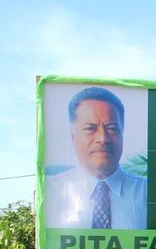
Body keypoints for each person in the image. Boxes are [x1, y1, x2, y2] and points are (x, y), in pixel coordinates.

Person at [45, 86, 147, 229]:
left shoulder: (147, 194)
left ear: (122, 133)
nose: (103, 138)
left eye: (112, 128)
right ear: (73, 136)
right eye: (90, 128)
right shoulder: (49, 192)